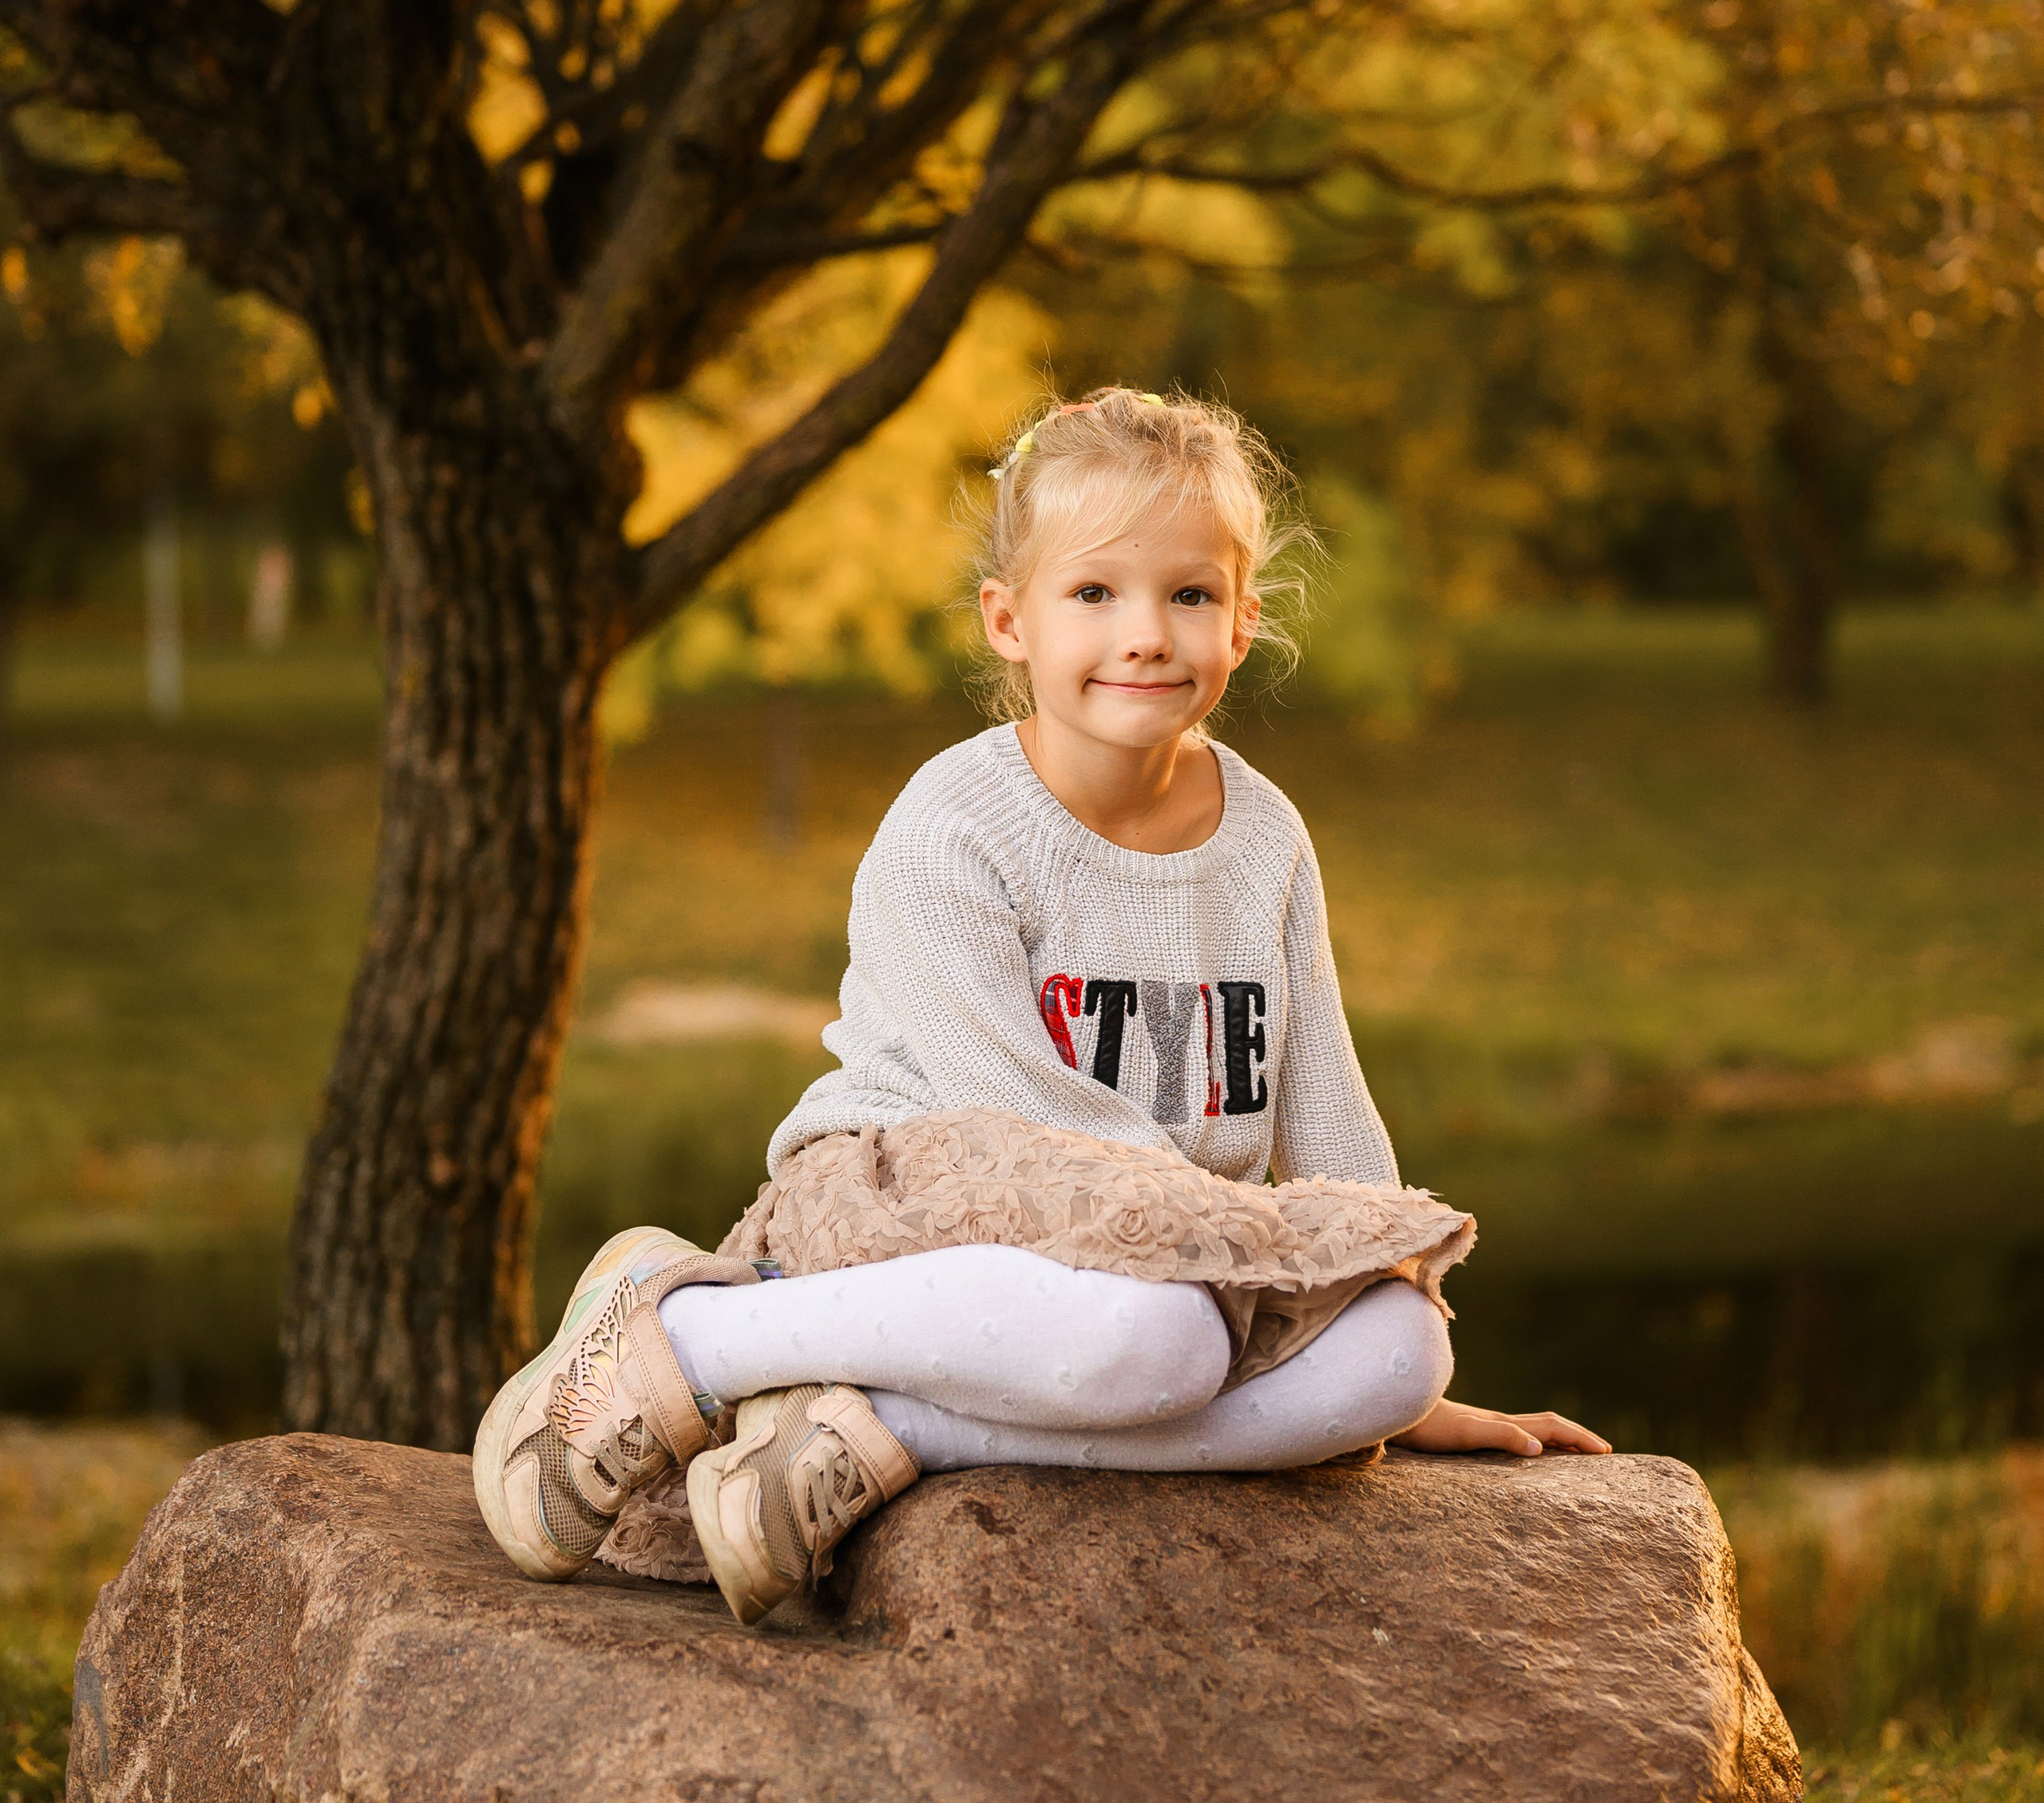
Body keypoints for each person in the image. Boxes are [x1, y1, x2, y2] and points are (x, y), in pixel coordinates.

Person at [474, 388, 1608, 1627]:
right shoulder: (956, 825)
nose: (1147, 634)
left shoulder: (1268, 835)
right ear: (1009, 621)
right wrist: (1232, 1251)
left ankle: (885, 1429)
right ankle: (692, 1338)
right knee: (1170, 1343)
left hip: (1174, 1258)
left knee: (1398, 1344)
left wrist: (1392, 1335)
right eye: (1095, 594)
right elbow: (1005, 1104)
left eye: (1189, 594)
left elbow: (1325, 1101)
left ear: (1245, 623)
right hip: (922, 1202)